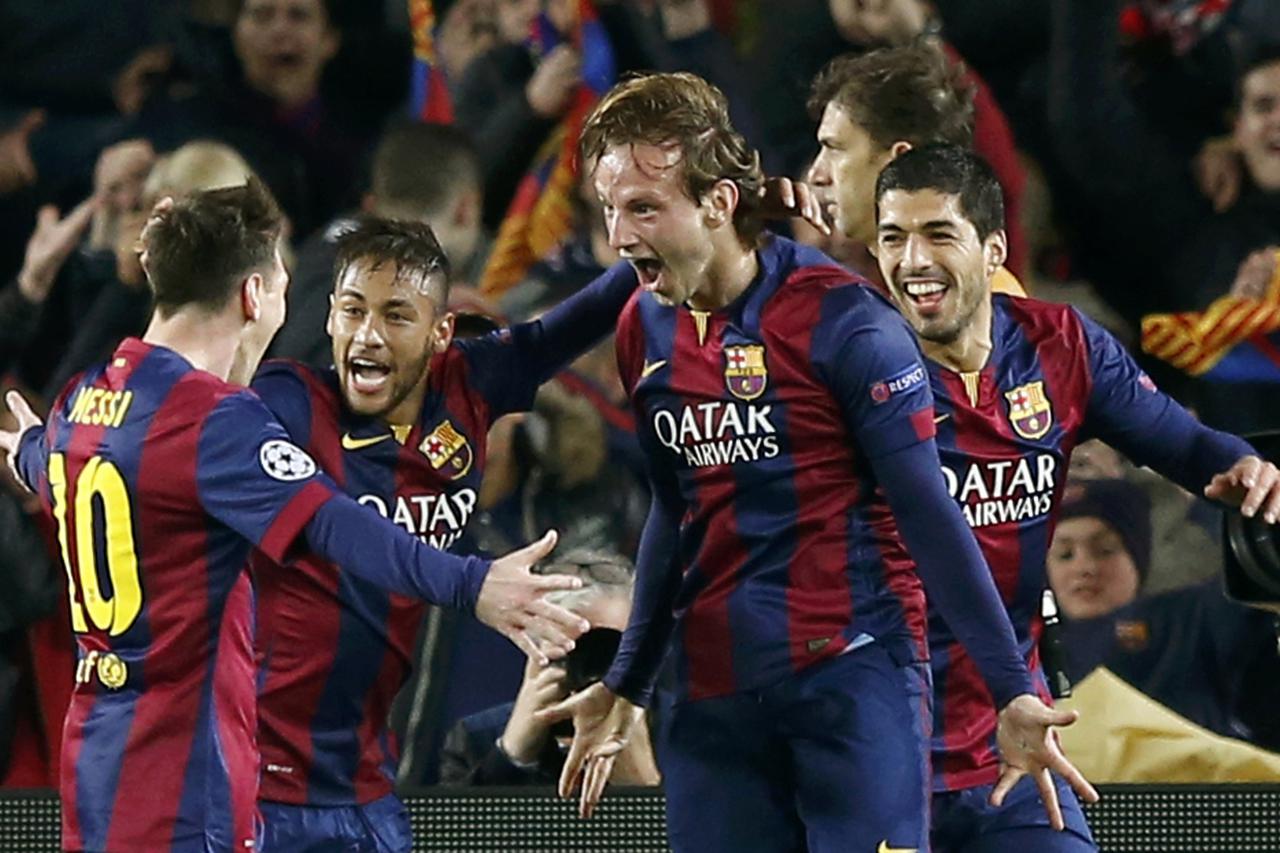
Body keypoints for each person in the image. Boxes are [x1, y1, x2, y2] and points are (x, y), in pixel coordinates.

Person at [538, 72, 1090, 852]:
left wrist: (1011, 688)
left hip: (850, 680)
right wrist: (630, 679)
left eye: (643, 208)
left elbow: (931, 517)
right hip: (713, 699)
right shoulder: (642, 329)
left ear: (719, 203)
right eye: (609, 210)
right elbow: (674, 507)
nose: (620, 236)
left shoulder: (847, 323)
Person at [0, 180, 585, 852]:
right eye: (282, 285)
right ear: (253, 295)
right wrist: (472, 583)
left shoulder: (85, 399)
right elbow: (333, 523)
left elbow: (63, 465)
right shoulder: (211, 420)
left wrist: (30, 454)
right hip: (183, 780)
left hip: (96, 761)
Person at [867, 143, 1280, 852]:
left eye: (938, 234)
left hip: (1012, 741)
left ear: (993, 247)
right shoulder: (849, 366)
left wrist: (1243, 464)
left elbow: (1183, 444)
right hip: (874, 752)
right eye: (892, 238)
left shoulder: (1057, 347)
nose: (912, 260)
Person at [248, 214, 639, 852]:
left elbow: (586, 314)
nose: (368, 335)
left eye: (396, 315)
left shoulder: (469, 389)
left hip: (363, 775)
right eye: (352, 311)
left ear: (439, 334)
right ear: (329, 319)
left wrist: (686, 224)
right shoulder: (286, 407)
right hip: (260, 772)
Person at [1049, 478, 1280, 746]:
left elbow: (1256, 570)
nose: (1084, 567)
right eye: (1064, 554)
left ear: (1139, 556)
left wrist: (1219, 500)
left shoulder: (1188, 618)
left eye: (1105, 550)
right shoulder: (1025, 648)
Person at [806, 43, 1026, 297]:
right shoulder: (896, 293)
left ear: (899, 159)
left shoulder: (971, 305)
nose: (816, 175)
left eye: (835, 149)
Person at [439, 550, 660, 786]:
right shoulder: (477, 739)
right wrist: (511, 757)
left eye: (611, 649)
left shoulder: (688, 733)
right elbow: (455, 822)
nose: (593, 666)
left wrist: (644, 786)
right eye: (576, 649)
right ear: (534, 648)